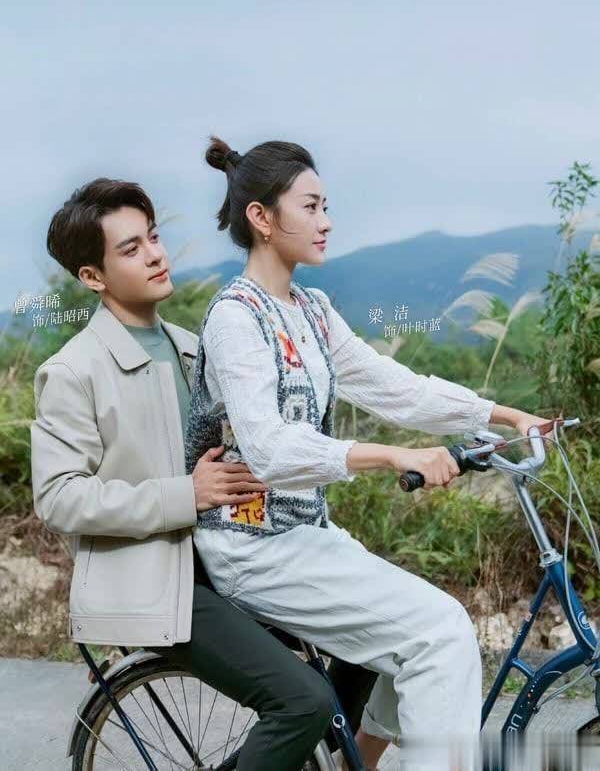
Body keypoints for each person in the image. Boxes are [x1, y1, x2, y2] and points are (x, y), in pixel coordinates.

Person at [185, 137, 553, 771]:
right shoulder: (235, 319)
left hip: (305, 536)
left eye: (326, 206)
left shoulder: (311, 310)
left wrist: (503, 415)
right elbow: (269, 448)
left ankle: (360, 758)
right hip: (252, 548)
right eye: (311, 206)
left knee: (426, 627)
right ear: (262, 218)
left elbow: (396, 388)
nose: (326, 221)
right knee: (440, 633)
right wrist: (390, 456)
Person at [30, 177, 376, 771]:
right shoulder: (74, 371)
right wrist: (185, 495)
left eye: (153, 237)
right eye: (131, 248)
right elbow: (60, 498)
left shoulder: (196, 346)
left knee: (370, 634)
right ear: (92, 276)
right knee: (303, 701)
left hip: (234, 557)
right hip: (163, 580)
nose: (155, 254)